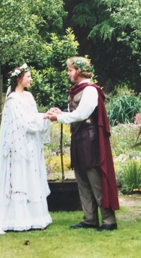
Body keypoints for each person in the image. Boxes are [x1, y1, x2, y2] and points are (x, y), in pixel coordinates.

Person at [0, 63, 52, 235]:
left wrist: (45, 116)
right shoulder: (12, 100)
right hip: (19, 146)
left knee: (32, 176)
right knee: (20, 177)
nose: (31, 79)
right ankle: (18, 218)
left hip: (31, 143)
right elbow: (21, 123)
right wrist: (42, 118)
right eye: (28, 76)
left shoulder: (29, 96)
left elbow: (32, 116)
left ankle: (37, 217)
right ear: (19, 79)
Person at [47, 56, 119, 231]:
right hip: (79, 138)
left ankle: (109, 220)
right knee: (82, 180)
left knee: (96, 180)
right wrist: (61, 112)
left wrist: (59, 117)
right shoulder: (76, 90)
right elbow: (76, 113)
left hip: (91, 140)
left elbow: (82, 114)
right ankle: (89, 220)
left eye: (70, 70)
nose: (68, 73)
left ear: (78, 71)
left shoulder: (90, 90)